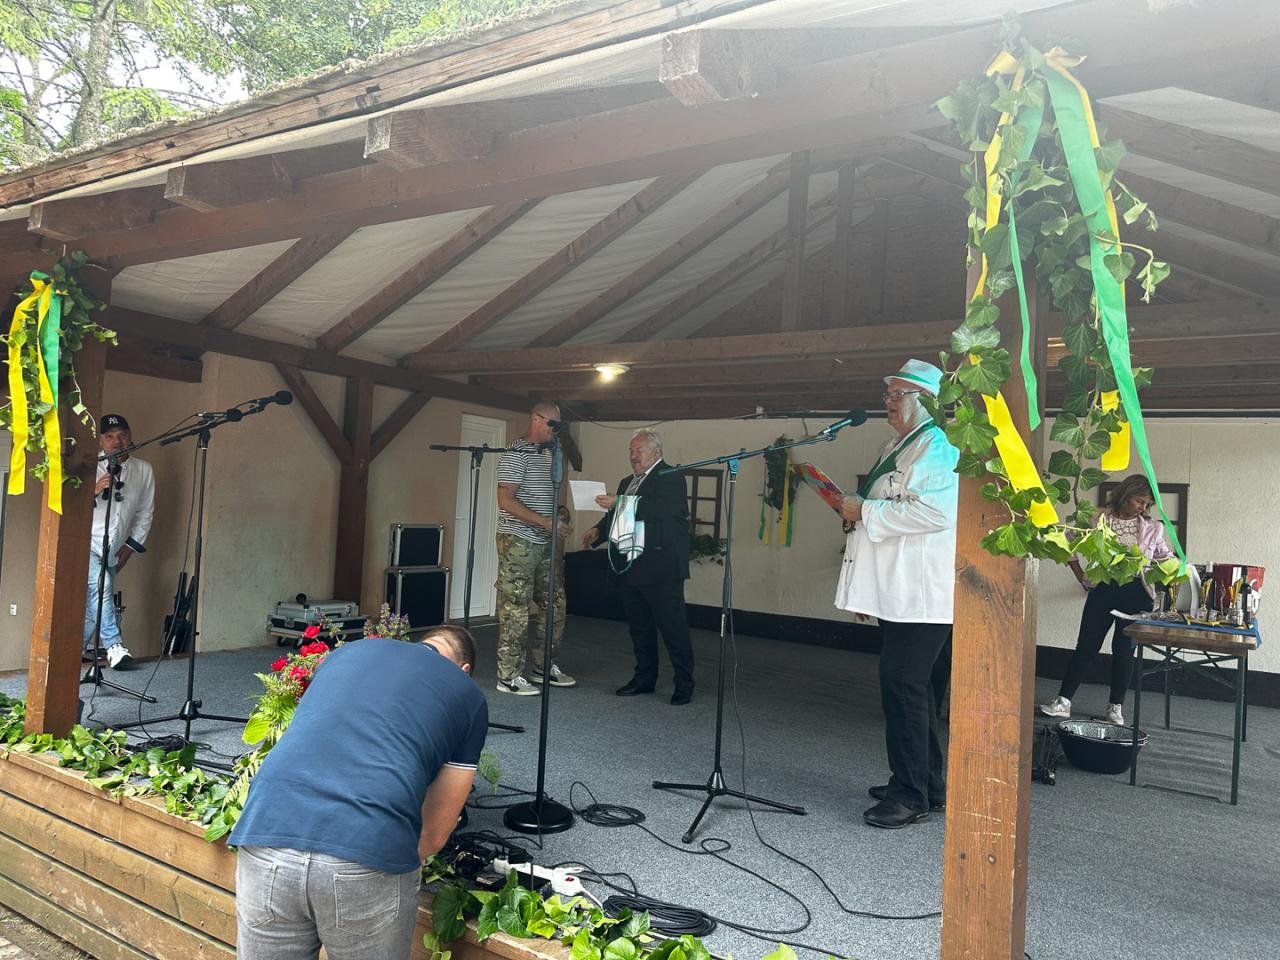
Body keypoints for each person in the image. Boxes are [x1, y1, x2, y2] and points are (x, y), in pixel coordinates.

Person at [229, 625, 487, 960]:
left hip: (266, 832)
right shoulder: (467, 693)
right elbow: (435, 832)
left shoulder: (347, 653)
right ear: (464, 669)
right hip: (366, 847)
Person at [835, 359, 958, 829]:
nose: (887, 402)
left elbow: (936, 513)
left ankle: (910, 795)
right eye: (887, 394)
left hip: (921, 594)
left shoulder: (936, 446)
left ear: (925, 400)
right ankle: (926, 783)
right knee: (915, 690)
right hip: (899, 590)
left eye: (896, 395)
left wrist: (864, 510)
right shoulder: (899, 445)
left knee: (904, 688)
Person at [1039, 475, 1173, 725]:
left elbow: (1164, 557)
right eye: (1139, 501)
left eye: (1147, 504)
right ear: (1125, 495)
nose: (1143, 507)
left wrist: (1173, 565)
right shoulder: (1097, 518)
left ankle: (1115, 708)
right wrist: (1080, 574)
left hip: (1137, 593)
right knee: (1086, 646)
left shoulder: (1153, 528)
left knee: (1124, 651)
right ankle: (1063, 701)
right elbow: (1067, 541)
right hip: (1103, 588)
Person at [583, 429, 695, 705]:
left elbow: (658, 509)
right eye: (631, 451)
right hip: (631, 564)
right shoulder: (627, 482)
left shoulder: (671, 476)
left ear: (657, 453)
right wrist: (598, 531)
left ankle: (684, 683)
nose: (633, 456)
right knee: (640, 627)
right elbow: (617, 515)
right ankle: (645, 678)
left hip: (660, 566)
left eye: (639, 451)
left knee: (672, 627)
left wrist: (620, 501)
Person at [494, 402, 575, 695]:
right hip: (519, 540)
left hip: (546, 540)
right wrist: (544, 522)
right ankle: (508, 676)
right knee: (515, 606)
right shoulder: (516, 453)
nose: (556, 430)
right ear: (535, 419)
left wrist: (559, 515)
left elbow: (547, 496)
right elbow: (505, 500)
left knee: (555, 603)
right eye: (552, 424)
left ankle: (544, 666)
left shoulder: (552, 453)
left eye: (559, 425)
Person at [84, 414, 155, 670]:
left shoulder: (143, 470)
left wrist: (131, 546)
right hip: (85, 543)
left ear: (130, 436)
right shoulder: (88, 466)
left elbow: (145, 512)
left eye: (122, 435)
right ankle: (114, 646)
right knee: (101, 588)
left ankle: (69, 653)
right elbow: (67, 509)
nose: (117, 441)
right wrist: (93, 491)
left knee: (95, 607)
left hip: (114, 547)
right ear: (100, 440)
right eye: (109, 436)